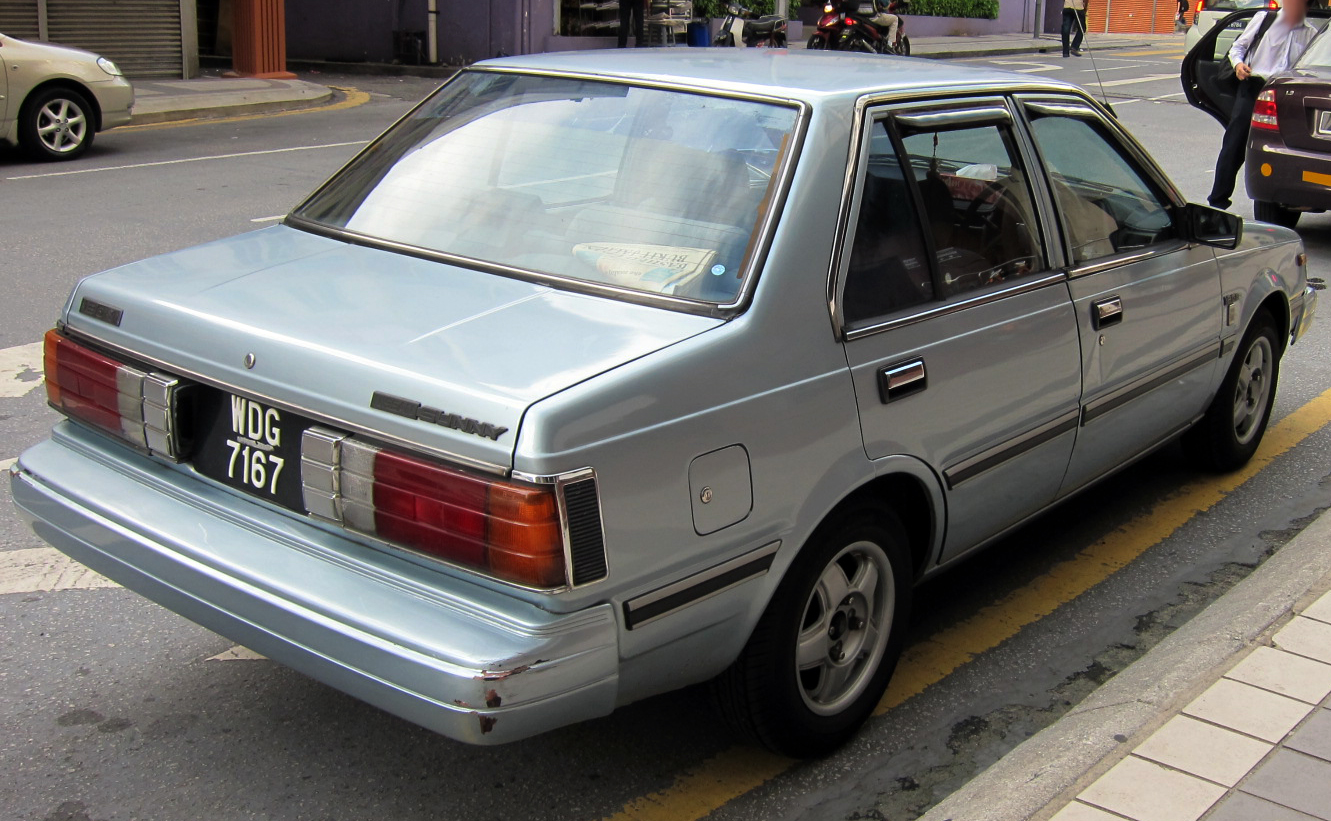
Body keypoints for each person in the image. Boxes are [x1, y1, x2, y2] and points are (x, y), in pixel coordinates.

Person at [1208, 0, 1317, 209]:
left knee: (1279, 147)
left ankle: (1276, 202)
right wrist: (1238, 65)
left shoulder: (1310, 34)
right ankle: (1218, 202)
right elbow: (1237, 48)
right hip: (1253, 87)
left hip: (1283, 94)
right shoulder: (1265, 19)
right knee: (1234, 145)